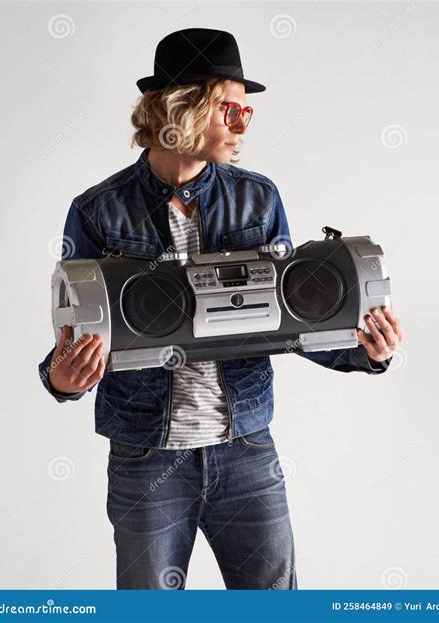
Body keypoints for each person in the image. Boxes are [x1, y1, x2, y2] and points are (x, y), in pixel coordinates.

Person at [38, 28, 403, 590]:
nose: (242, 125)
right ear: (182, 109)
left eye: (247, 113)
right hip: (146, 455)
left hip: (246, 448)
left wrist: (365, 352)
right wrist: (61, 381)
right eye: (229, 109)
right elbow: (74, 343)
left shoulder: (259, 198)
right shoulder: (96, 210)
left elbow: (289, 322)